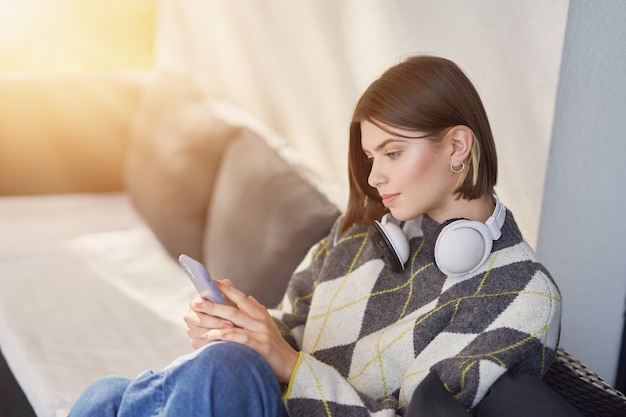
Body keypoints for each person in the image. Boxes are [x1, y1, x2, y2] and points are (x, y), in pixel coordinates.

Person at [68, 55, 562, 416]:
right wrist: (244, 333)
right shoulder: (360, 235)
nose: (374, 178)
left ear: (457, 145)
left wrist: (283, 363)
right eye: (372, 158)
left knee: (193, 380)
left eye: (392, 153)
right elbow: (290, 330)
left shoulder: (521, 294)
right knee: (113, 393)